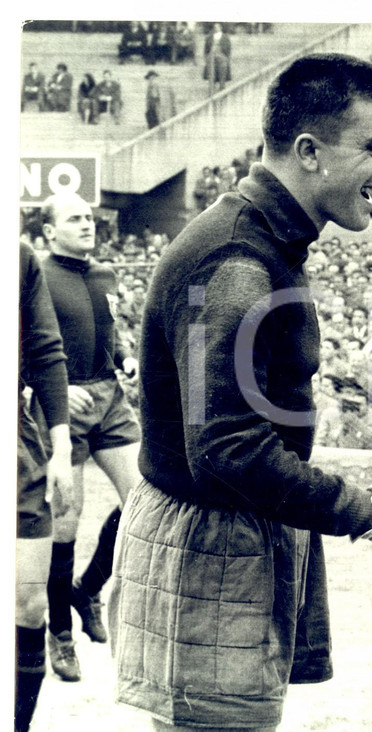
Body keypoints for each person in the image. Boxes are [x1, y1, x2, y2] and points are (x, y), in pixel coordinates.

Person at [108, 53, 372, 731]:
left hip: (224, 537)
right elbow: (230, 449)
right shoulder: (237, 258)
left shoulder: (259, 239)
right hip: (213, 547)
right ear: (310, 152)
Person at [38, 192, 143, 682]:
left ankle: (88, 588)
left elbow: (109, 328)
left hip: (110, 397)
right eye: (74, 219)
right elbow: (21, 345)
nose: (87, 224)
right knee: (66, 519)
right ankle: (60, 633)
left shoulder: (104, 274)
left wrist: (124, 356)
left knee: (144, 498)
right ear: (48, 231)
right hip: (62, 405)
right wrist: (47, 390)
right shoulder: (34, 275)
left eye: (89, 217)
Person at [16, 242, 76, 731]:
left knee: (30, 603)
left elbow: (46, 352)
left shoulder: (17, 257)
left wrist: (61, 450)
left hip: (12, 437)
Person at [203, 22, 232, 93]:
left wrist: (226, 58)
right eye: (215, 27)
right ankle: (211, 90)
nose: (216, 28)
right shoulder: (209, 37)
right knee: (211, 73)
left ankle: (222, 89)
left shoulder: (225, 37)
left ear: (220, 28)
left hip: (221, 55)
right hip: (211, 56)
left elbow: (228, 49)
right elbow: (206, 48)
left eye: (217, 27)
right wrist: (206, 57)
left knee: (222, 72)